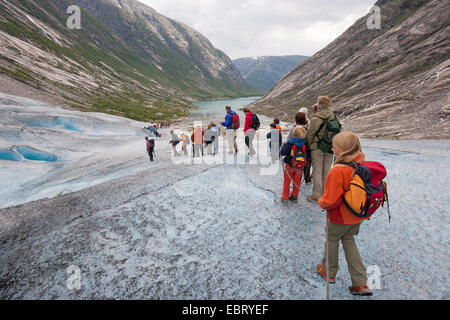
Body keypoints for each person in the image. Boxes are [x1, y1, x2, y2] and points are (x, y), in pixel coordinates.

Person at [317, 131, 373, 296]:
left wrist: (321, 202)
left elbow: (330, 201)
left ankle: (328, 272)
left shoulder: (338, 170)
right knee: (349, 242)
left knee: (332, 242)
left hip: (339, 217)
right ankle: (360, 283)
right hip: (357, 216)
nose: (333, 150)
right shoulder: (362, 164)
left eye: (335, 147)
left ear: (343, 150)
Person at [306, 96, 340, 203]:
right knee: (326, 171)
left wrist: (308, 145)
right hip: (330, 148)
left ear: (319, 104)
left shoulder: (317, 118)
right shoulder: (335, 117)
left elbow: (310, 134)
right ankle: (326, 193)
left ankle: (316, 195)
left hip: (317, 147)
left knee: (317, 171)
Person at [280, 126, 309, 203]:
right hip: (299, 167)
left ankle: (285, 197)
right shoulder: (305, 144)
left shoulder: (290, 142)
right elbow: (308, 154)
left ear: (294, 133)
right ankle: (294, 196)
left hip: (290, 165)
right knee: (297, 182)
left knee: (287, 181)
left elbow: (283, 152)